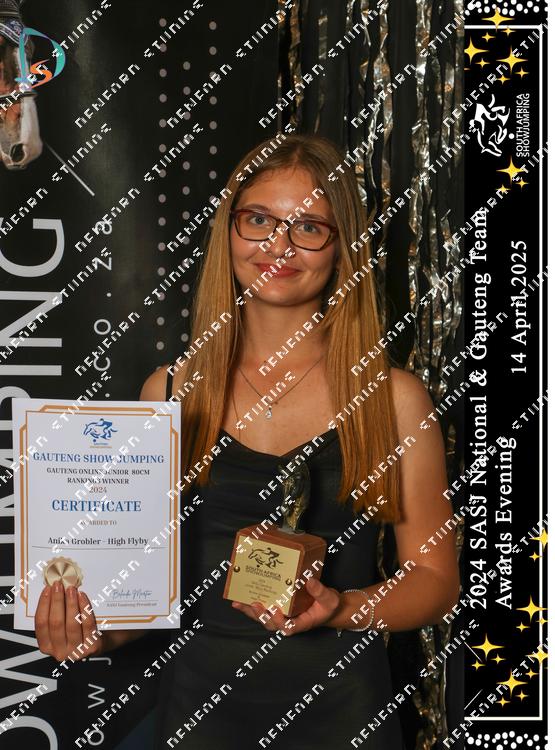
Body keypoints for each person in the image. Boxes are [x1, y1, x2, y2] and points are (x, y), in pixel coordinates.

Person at [35, 134, 460, 749]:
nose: (277, 246)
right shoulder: (171, 390)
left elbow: (435, 579)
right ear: (229, 230)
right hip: (199, 715)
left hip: (343, 715)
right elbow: (150, 591)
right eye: (258, 219)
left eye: (308, 227)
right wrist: (93, 631)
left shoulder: (391, 399)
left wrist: (340, 607)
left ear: (342, 247)